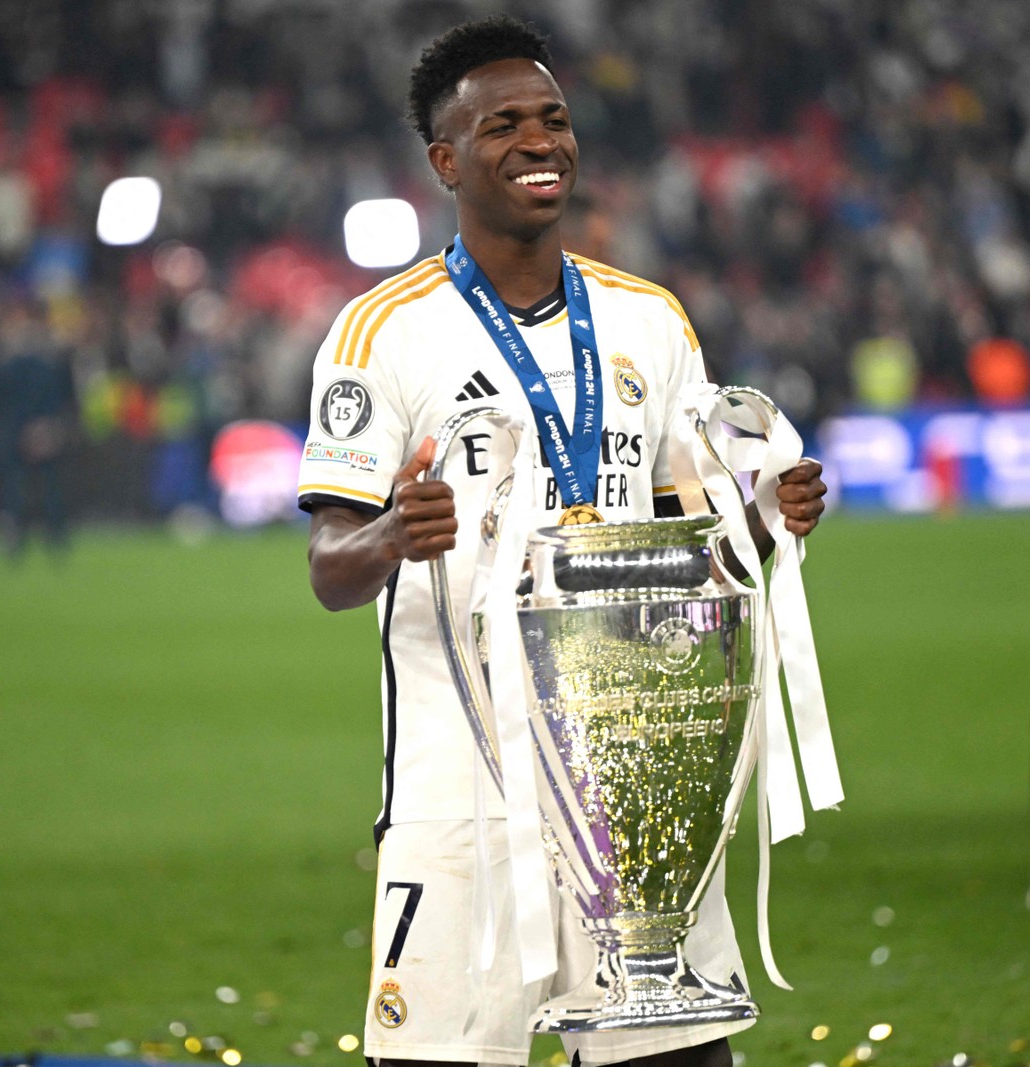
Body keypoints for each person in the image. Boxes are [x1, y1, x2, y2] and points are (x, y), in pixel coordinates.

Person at [296, 18, 827, 1067]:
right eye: (502, 125)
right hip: (461, 786)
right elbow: (328, 568)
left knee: (677, 1058)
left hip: (634, 776)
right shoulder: (380, 332)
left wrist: (764, 521)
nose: (540, 142)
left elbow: (696, 544)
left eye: (554, 119)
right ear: (446, 159)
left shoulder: (650, 320)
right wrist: (398, 531)